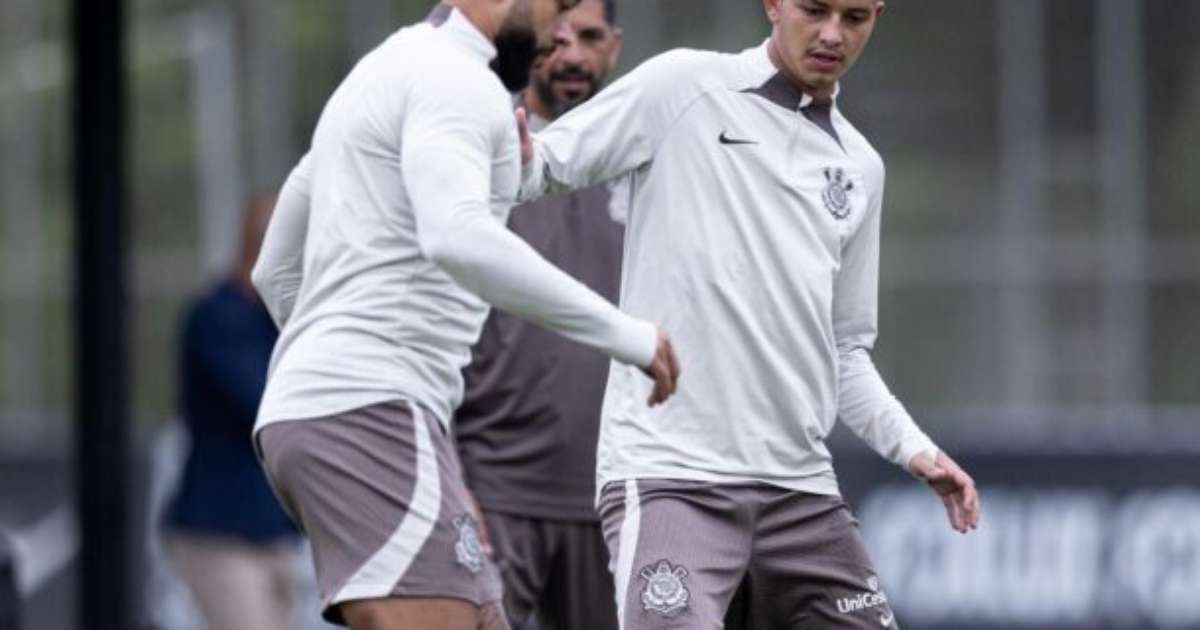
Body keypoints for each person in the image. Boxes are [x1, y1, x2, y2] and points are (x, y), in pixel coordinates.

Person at [516, 0, 982, 627]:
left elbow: (843, 350)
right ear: (772, 5)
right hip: (671, 479)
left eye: (854, 17)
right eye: (814, 10)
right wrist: (458, 141)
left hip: (802, 494)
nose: (831, 34)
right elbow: (537, 165)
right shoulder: (683, 86)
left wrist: (914, 449)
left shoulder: (860, 167)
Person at [249, 1, 680, 628]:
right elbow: (456, 237)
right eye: (555, 8)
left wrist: (328, 362)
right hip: (372, 411)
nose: (559, 33)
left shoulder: (383, 71)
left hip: (343, 410)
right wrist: (626, 335)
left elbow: (275, 269)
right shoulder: (459, 81)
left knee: (482, 616)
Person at [452, 1, 624, 628]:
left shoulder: (643, 163)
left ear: (615, 47)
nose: (573, 52)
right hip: (495, 491)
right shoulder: (480, 153)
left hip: (612, 496)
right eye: (561, 35)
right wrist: (452, 479)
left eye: (591, 36)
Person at [164, 196, 301, 630]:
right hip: (221, 534)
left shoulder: (276, 319)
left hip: (274, 535)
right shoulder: (217, 317)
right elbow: (269, 404)